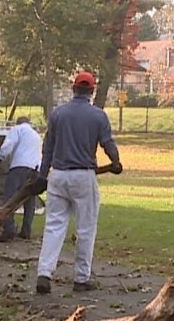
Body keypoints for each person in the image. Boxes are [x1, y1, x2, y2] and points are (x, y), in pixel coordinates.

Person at [34, 71, 121, 295]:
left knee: (54, 226)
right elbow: (107, 143)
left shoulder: (58, 114)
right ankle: (81, 278)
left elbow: (48, 148)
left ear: (74, 89)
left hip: (58, 175)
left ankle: (44, 273)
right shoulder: (98, 116)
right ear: (91, 91)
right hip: (83, 175)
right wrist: (116, 161)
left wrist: (43, 176)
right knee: (85, 228)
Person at [0, 116, 43, 242]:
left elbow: (9, 145)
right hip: (34, 170)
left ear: (19, 123)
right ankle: (26, 231)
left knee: (9, 198)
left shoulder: (17, 129)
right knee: (29, 201)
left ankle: (9, 230)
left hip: (19, 167)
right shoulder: (36, 135)